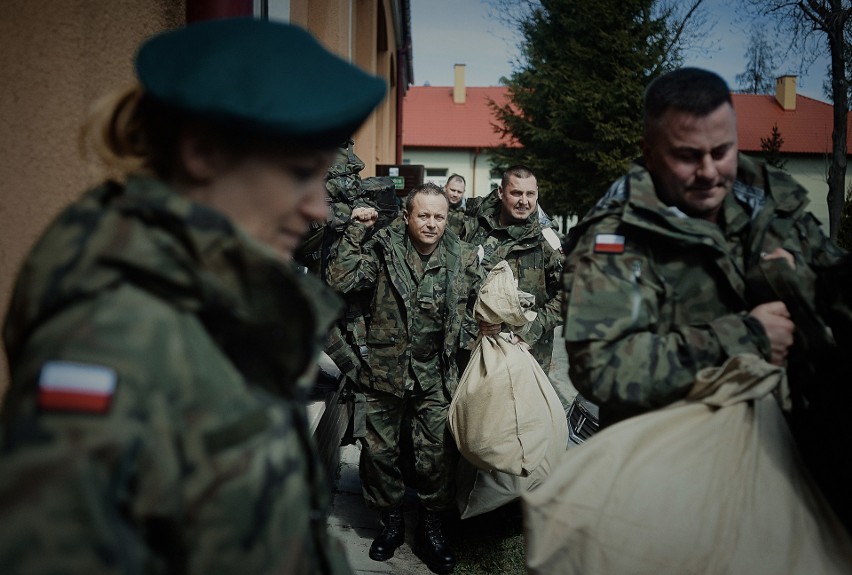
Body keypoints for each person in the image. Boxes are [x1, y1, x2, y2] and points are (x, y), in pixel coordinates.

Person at [0, 18, 385, 574]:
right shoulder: (110, 335)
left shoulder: (205, 295)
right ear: (203, 152)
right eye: (301, 174)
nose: (319, 208)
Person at [562, 68, 852, 521]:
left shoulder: (770, 201)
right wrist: (746, 337)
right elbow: (601, 367)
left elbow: (833, 280)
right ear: (650, 153)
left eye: (722, 151)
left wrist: (814, 287)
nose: (710, 172)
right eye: (687, 156)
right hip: (673, 481)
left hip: (789, 464)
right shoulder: (616, 238)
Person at [327, 182, 485, 574]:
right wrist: (354, 231)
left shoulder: (462, 257)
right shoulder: (381, 250)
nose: (432, 224)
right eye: (424, 216)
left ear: (448, 218)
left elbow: (476, 307)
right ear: (407, 215)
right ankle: (392, 522)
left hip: (434, 376)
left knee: (436, 456)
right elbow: (339, 280)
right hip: (383, 373)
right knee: (380, 455)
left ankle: (431, 527)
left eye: (439, 217)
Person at [460, 165, 564, 372]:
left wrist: (530, 331)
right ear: (500, 193)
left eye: (530, 194)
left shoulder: (546, 240)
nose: (523, 201)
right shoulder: (473, 229)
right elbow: (454, 285)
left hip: (525, 356)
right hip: (475, 352)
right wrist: (472, 326)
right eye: (516, 193)